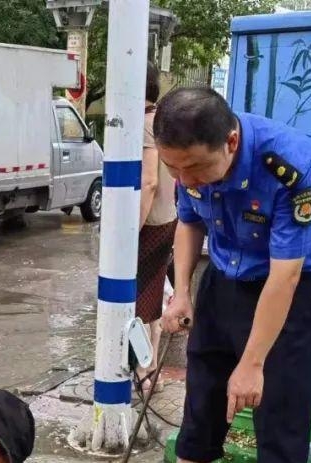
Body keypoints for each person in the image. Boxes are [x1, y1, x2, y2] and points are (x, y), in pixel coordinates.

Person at [126, 87, 311, 463]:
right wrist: (184, 290)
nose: (187, 180)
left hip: (286, 287)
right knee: (203, 399)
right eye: (176, 170)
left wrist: (255, 362)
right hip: (224, 277)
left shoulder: (290, 165)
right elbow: (189, 222)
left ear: (231, 140)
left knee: (280, 413)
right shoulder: (189, 163)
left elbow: (285, 276)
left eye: (195, 168)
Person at [134, 63, 178, 396]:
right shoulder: (162, 120)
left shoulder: (145, 125)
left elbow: (149, 182)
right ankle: (150, 372)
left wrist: (130, 231)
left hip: (151, 221)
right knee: (153, 294)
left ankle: (146, 373)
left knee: (143, 301)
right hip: (169, 218)